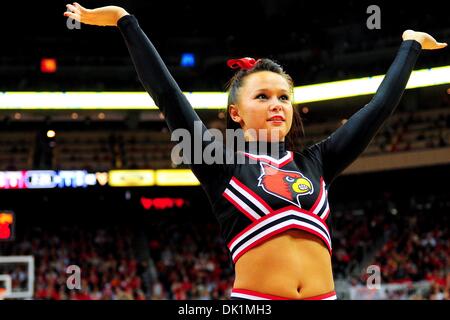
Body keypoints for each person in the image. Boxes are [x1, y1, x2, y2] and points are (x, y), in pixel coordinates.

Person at [63, 3, 447, 300]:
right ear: (235, 113)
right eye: (262, 96)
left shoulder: (316, 162)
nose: (276, 104)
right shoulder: (217, 160)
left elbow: (378, 108)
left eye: (283, 96)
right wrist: (124, 21)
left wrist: (410, 45)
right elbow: (168, 95)